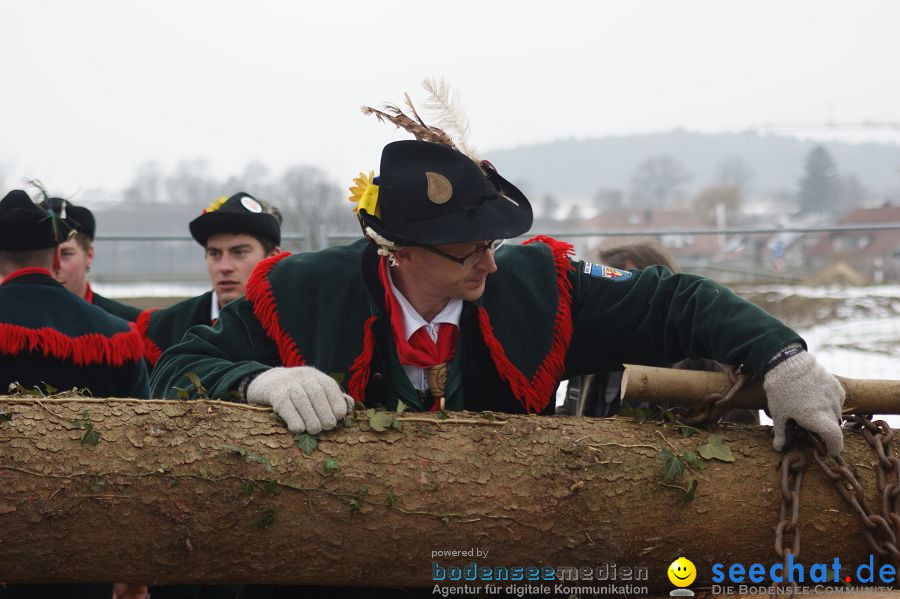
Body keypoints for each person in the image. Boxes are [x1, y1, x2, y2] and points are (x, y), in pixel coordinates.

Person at [148, 99, 844, 460]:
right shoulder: (298, 291)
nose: (489, 262)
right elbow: (177, 366)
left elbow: (673, 299)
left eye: (490, 243)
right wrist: (258, 379)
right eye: (467, 251)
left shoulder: (537, 283)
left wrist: (781, 354)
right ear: (401, 253)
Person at [0, 189, 149, 599]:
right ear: (53, 257)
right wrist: (132, 567)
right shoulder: (116, 335)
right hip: (84, 548)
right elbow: (145, 455)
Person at [557, 241, 759, 424]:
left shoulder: (705, 363)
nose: (612, 303)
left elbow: (741, 428)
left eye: (623, 292)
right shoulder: (590, 355)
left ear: (660, 294)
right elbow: (569, 411)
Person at [137, 192, 282, 368]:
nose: (224, 267)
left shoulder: (296, 325)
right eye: (214, 254)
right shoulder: (165, 328)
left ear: (273, 257)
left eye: (239, 252)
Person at [41, 196, 143, 321]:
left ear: (89, 255)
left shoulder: (129, 324)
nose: (54, 266)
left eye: (65, 254)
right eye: (44, 256)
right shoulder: (15, 323)